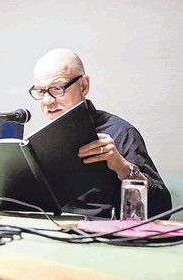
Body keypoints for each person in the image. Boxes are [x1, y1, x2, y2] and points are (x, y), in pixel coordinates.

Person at [29, 48, 172, 218]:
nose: (47, 101)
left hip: (102, 236)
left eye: (57, 88)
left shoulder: (121, 133)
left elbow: (162, 210)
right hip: (49, 232)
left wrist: (122, 167)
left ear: (83, 86)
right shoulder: (39, 143)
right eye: (40, 91)